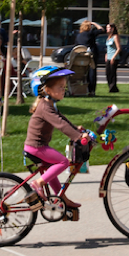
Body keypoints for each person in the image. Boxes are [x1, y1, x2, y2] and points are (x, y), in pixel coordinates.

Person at [24, 66, 88, 208]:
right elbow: (60, 125)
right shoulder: (45, 107)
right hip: (36, 147)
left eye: (64, 87)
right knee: (63, 162)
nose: (63, 90)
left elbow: (62, 119)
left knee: (52, 169)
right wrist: (78, 137)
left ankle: (61, 199)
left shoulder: (49, 105)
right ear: (47, 90)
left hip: (37, 146)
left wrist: (75, 129)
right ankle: (38, 183)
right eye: (60, 87)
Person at [75, 20, 103, 95]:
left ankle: (82, 89)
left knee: (83, 73)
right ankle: (91, 90)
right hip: (91, 55)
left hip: (81, 56)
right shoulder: (91, 33)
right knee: (92, 72)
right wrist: (94, 23)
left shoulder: (79, 36)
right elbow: (101, 29)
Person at [104, 23, 122, 93]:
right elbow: (108, 48)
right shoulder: (109, 37)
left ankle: (112, 88)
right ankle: (112, 87)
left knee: (112, 73)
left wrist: (113, 57)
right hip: (108, 57)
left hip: (114, 57)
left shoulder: (115, 37)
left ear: (112, 29)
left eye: (108, 27)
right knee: (107, 73)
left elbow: (119, 48)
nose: (107, 29)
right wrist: (106, 54)